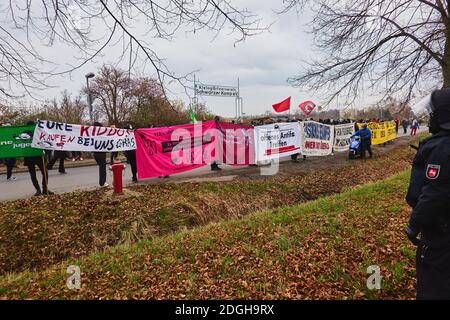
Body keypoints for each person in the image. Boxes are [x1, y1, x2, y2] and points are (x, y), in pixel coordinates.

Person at [405, 88, 450, 299]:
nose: (430, 118)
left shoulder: (442, 147)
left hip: (440, 232)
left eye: (433, 113)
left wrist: (414, 224)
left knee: (433, 285)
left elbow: (435, 191)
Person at [23, 121, 53, 196]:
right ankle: (42, 189)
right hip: (33, 157)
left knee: (37, 173)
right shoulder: (35, 132)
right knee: (43, 172)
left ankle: (40, 189)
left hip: (35, 156)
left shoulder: (37, 133)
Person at [92, 122, 109, 187]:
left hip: (95, 153)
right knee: (102, 168)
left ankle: (102, 182)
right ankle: (102, 182)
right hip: (100, 153)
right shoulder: (100, 135)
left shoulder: (93, 134)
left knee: (101, 167)